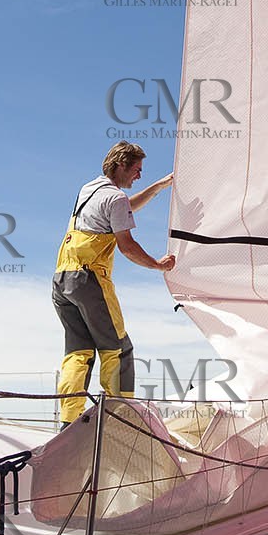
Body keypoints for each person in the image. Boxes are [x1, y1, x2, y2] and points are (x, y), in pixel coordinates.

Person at [53, 141, 174, 427]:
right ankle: (119, 420)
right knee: (118, 349)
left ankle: (69, 423)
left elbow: (122, 210)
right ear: (121, 164)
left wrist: (158, 188)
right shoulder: (115, 198)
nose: (139, 176)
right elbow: (127, 246)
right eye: (136, 169)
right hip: (90, 279)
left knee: (78, 352)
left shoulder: (90, 189)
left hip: (62, 280)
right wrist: (157, 265)